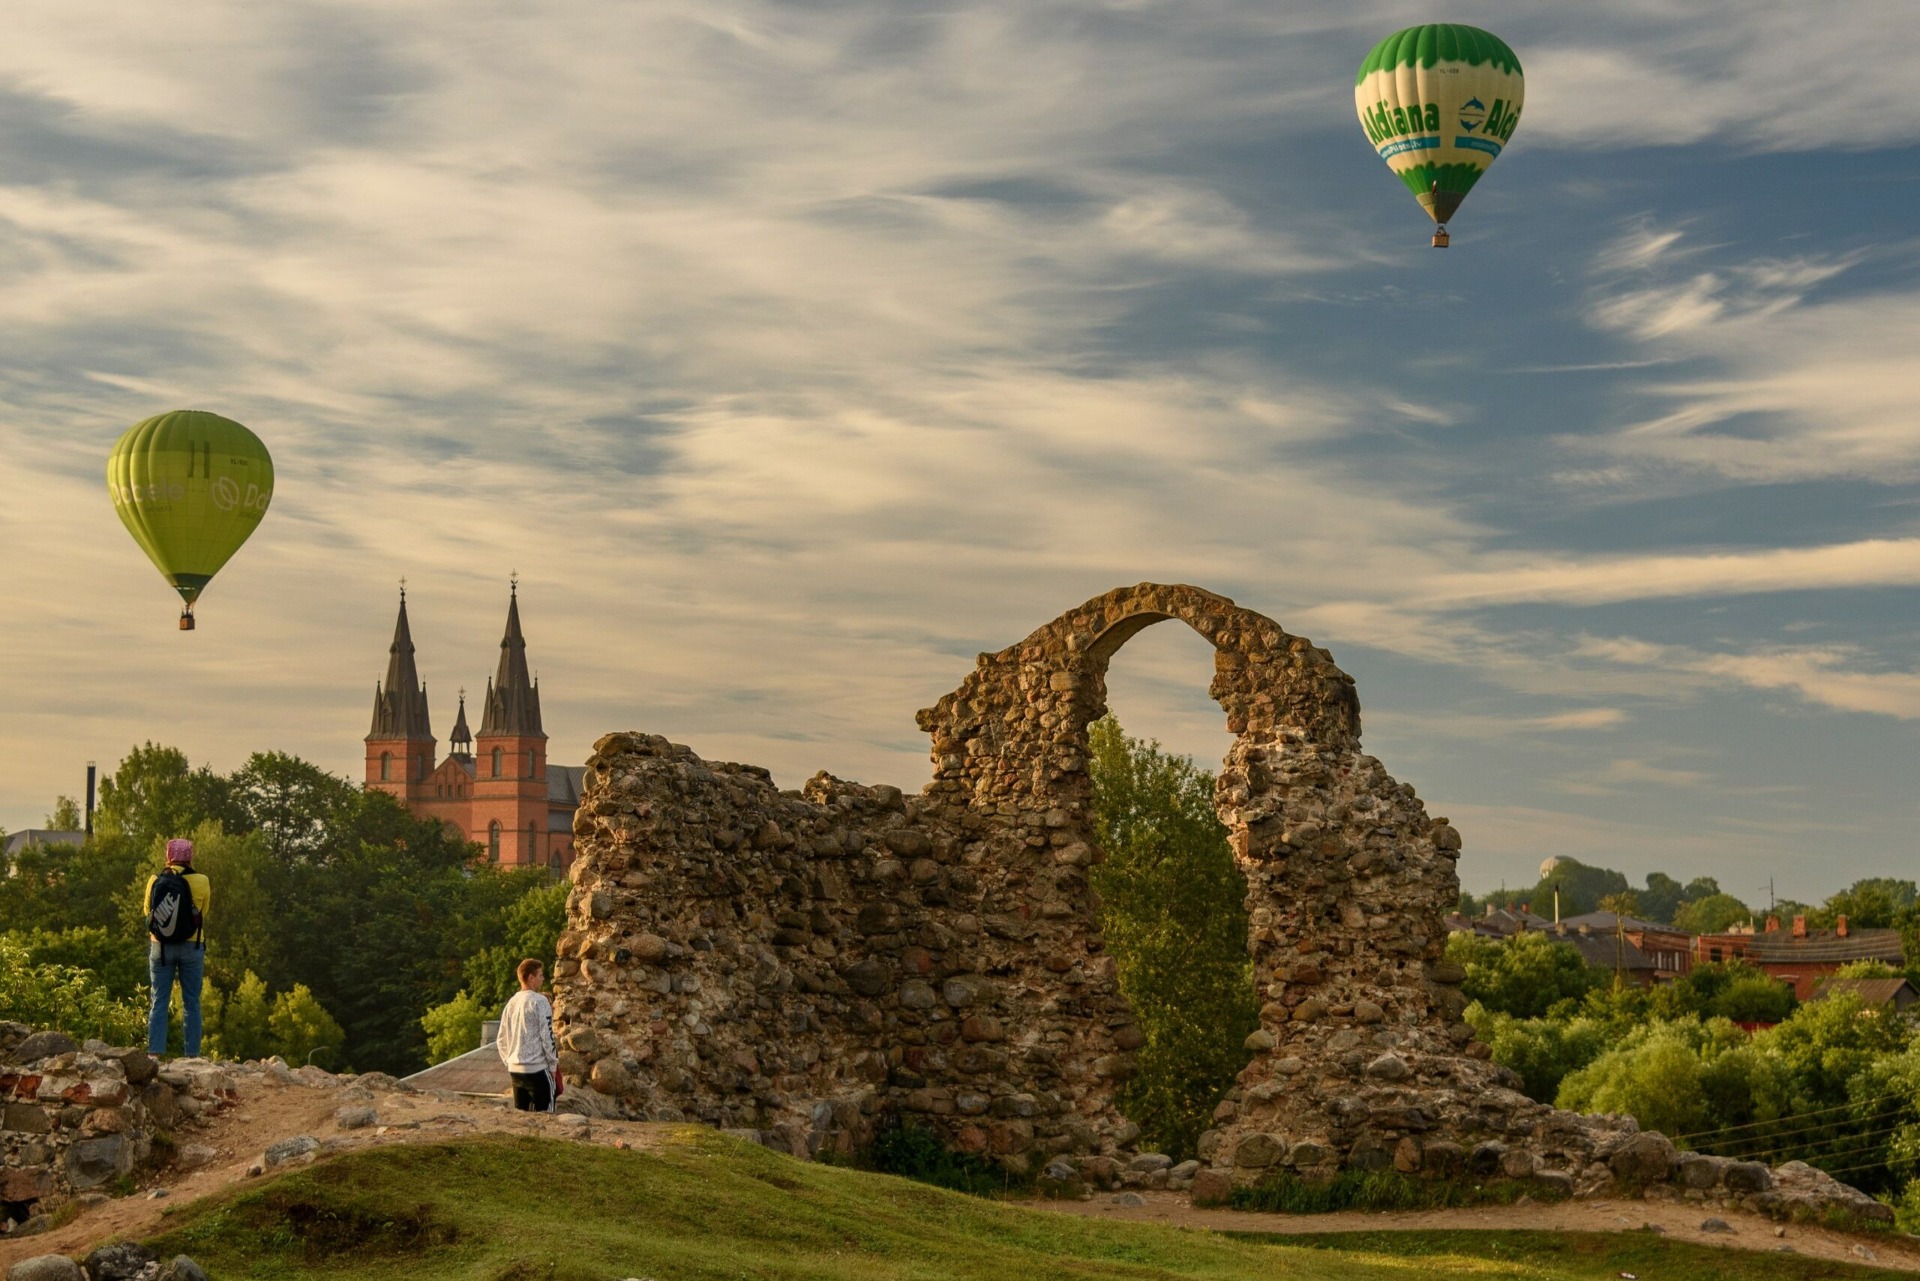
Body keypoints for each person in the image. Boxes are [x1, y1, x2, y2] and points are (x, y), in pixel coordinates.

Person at [145, 838, 210, 1059]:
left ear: (168, 857)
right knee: (191, 1001)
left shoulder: (155, 880)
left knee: (159, 1000)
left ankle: (154, 1054)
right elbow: (203, 913)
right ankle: (192, 1055)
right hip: (191, 946)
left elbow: (148, 913)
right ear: (190, 857)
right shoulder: (202, 880)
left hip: (160, 948)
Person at [497, 958, 559, 1112]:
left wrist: (509, 1060)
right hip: (537, 1068)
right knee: (546, 1114)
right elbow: (547, 1036)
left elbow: (501, 1038)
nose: (543, 979)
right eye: (540, 975)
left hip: (515, 1069)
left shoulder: (511, 1002)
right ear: (531, 978)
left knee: (522, 1116)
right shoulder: (540, 1001)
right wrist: (553, 1065)